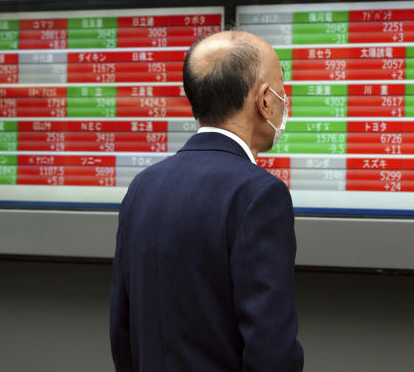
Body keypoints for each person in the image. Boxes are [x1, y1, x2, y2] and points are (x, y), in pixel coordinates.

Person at [110, 30, 303, 371]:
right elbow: (271, 349)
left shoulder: (142, 187)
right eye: (281, 88)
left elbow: (122, 330)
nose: (284, 99)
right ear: (263, 100)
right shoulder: (259, 194)